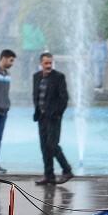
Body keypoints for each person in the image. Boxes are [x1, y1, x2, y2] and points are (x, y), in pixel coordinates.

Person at [32, 52, 74, 186]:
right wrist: (38, 112)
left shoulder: (59, 77)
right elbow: (36, 96)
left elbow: (64, 98)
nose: (49, 65)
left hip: (54, 118)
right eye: (46, 63)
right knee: (44, 147)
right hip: (41, 117)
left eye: (50, 63)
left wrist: (57, 114)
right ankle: (49, 175)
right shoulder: (36, 77)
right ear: (41, 64)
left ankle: (67, 170)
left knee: (52, 145)